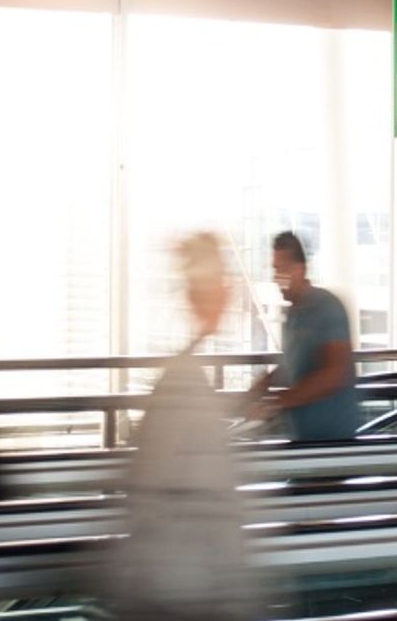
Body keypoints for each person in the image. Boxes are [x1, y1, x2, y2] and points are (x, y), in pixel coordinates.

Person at [106, 233, 262, 620]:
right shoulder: (183, 380)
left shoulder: (183, 374)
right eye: (223, 279)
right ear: (206, 293)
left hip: (181, 580)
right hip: (185, 587)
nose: (230, 289)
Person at [248, 232, 360, 442]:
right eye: (274, 270)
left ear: (299, 269)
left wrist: (279, 401)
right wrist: (264, 383)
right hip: (303, 441)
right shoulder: (292, 314)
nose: (275, 277)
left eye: (280, 269)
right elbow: (293, 365)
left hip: (332, 445)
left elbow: (335, 373)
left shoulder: (327, 307)